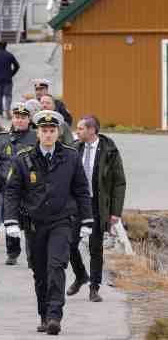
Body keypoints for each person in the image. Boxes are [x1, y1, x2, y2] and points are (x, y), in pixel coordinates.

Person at [3, 110, 93, 335]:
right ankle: (44, 314)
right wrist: (11, 221)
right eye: (44, 131)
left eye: (52, 131)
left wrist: (87, 220)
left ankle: (55, 316)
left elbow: (82, 190)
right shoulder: (23, 158)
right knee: (40, 272)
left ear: (58, 132)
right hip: (34, 223)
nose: (48, 135)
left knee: (56, 267)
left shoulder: (71, 156)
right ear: (38, 133)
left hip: (62, 221)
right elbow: (12, 191)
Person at [67, 115, 126, 303]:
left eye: (81, 128)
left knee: (95, 247)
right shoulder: (75, 148)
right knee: (69, 243)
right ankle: (81, 275)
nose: (77, 131)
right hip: (77, 205)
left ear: (92, 130)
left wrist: (115, 211)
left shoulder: (109, 151)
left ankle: (94, 287)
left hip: (97, 205)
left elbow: (119, 182)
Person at [0, 102, 37, 264]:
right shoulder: (2, 139)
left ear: (29, 119)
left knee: (31, 224)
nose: (19, 121)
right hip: (8, 188)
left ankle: (32, 256)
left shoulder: (36, 137)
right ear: (13, 118)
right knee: (11, 220)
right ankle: (13, 252)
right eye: (17, 117)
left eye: (23, 118)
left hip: (31, 189)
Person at [0, 42, 21, 119]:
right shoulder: (10, 55)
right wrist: (12, 74)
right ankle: (7, 109)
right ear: (6, 46)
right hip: (8, 79)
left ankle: (0, 112)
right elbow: (17, 66)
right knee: (8, 95)